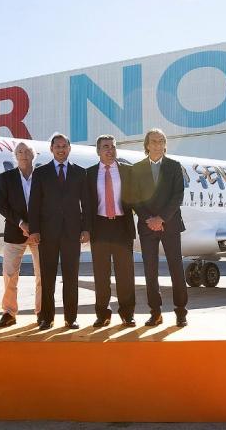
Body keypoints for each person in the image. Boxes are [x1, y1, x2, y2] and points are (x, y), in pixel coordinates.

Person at [28, 133, 90, 330]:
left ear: (69, 148)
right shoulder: (40, 173)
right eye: (57, 146)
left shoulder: (80, 173)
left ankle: (71, 318)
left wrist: (86, 228)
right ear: (51, 149)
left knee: (71, 277)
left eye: (64, 146)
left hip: (72, 233)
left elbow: (86, 204)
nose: (61, 149)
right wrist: (35, 230)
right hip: (47, 234)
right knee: (48, 277)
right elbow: (34, 204)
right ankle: (47, 318)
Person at [132, 128, 188, 327]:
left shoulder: (174, 166)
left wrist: (161, 218)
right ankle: (155, 312)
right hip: (147, 227)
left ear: (165, 144)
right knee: (150, 270)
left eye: (160, 140)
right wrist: (149, 219)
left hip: (170, 225)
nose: (156, 144)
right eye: (153, 141)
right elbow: (135, 199)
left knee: (176, 268)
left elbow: (177, 196)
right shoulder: (136, 169)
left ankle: (181, 312)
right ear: (147, 145)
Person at [86, 135, 136, 328]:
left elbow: (137, 199)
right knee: (101, 275)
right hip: (99, 227)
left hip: (122, 226)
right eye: (105, 147)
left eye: (113, 147)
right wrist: (86, 229)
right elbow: (87, 204)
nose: (110, 150)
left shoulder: (128, 172)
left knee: (125, 274)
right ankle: (102, 314)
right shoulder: (89, 174)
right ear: (98, 150)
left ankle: (127, 313)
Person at [0, 142, 41, 328]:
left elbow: (49, 203)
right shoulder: (5, 178)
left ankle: (42, 312)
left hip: (39, 233)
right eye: (19, 151)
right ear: (15, 155)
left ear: (33, 154)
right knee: (10, 274)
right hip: (15, 231)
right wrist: (22, 223)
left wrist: (35, 227)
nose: (23, 154)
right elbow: (1, 205)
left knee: (42, 275)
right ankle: (9, 312)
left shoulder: (42, 176)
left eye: (27, 151)